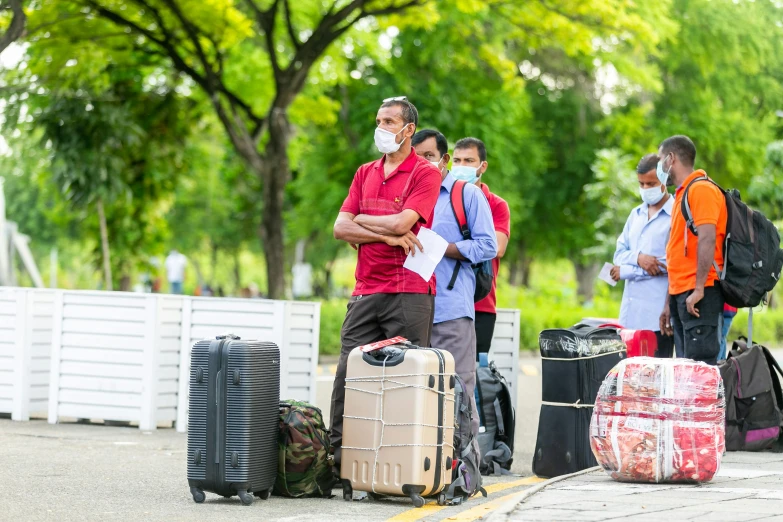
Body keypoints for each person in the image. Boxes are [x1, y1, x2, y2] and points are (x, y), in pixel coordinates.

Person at [330, 97, 442, 467]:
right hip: (366, 289)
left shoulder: (426, 173)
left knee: (407, 380)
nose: (381, 128)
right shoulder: (364, 172)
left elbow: (400, 223)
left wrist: (368, 224)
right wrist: (388, 237)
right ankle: (338, 459)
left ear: (409, 129)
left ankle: (403, 463)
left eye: (390, 121)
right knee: (349, 373)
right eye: (378, 120)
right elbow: (339, 227)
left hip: (409, 293)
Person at [413, 130, 497, 432]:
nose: (421, 162)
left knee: (458, 391)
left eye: (429, 156)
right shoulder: (408, 193)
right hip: (410, 308)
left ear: (443, 159)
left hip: (450, 310)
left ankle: (464, 474)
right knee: (415, 396)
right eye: (416, 156)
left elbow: (488, 246)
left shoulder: (467, 194)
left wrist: (444, 248)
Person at [658, 135, 727, 365]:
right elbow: (676, 253)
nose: (659, 167)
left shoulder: (701, 189)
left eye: (660, 160)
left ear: (671, 158)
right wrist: (669, 301)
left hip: (700, 294)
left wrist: (698, 289)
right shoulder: (682, 194)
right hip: (682, 294)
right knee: (686, 372)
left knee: (700, 373)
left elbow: (707, 238)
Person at [447, 137, 511, 361]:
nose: (461, 166)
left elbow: (497, 247)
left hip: (480, 301)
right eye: (456, 160)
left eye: (468, 160)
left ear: (482, 166)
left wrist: (448, 246)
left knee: (475, 370)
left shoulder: (496, 204)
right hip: (446, 299)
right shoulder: (442, 199)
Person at [610, 153, 675, 358]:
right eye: (642, 184)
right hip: (629, 317)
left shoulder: (676, 215)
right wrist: (639, 258)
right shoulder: (635, 214)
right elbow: (619, 254)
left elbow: (664, 265)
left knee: (655, 383)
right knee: (630, 382)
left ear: (664, 180)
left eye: (651, 183)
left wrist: (626, 271)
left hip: (657, 318)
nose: (646, 189)